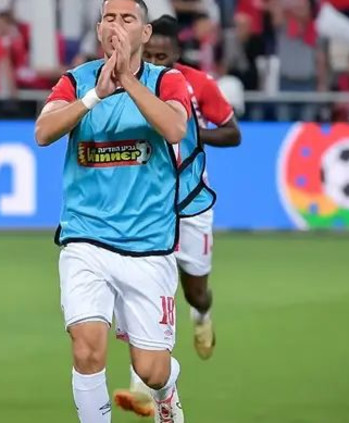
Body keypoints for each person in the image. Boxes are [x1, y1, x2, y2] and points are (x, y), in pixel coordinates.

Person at [35, 1, 213, 421]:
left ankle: (165, 391)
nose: (116, 26)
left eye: (127, 19)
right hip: (86, 239)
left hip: (148, 245)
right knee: (87, 349)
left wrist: (127, 80)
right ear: (99, 29)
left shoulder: (167, 81)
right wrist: (95, 95)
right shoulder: (76, 81)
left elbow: (174, 128)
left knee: (151, 371)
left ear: (145, 33)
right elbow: (43, 132)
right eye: (110, 18)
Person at [110, 14, 240, 417]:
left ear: (177, 54)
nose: (155, 62)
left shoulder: (198, 84)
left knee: (194, 290)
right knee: (146, 292)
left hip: (192, 204)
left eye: (162, 56)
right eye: (149, 54)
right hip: (148, 210)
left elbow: (233, 132)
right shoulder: (127, 83)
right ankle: (142, 387)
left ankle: (202, 314)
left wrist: (193, 132)